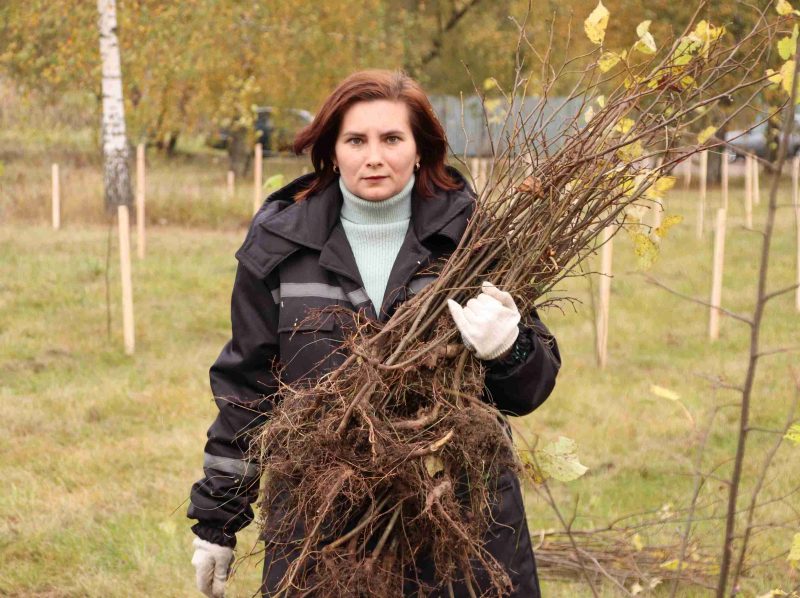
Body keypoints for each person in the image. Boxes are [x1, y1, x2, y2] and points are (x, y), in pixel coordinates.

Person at [188, 69, 561, 597]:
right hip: (324, 525)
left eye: (391, 139)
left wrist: (509, 348)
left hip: (456, 522)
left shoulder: (472, 242)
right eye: (356, 140)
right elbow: (249, 390)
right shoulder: (280, 247)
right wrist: (217, 521)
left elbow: (528, 390)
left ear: (420, 148)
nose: (374, 157)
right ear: (331, 150)